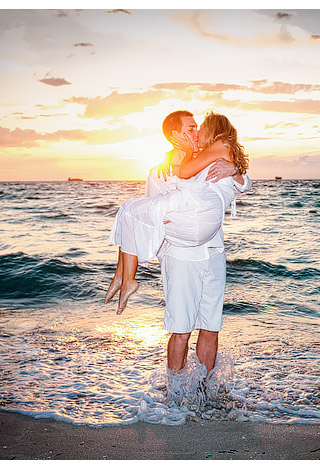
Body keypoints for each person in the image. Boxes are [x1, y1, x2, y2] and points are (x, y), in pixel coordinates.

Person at [107, 111, 251, 374]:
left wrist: (235, 168)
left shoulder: (206, 156)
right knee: (181, 329)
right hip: (181, 256)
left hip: (214, 252)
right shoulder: (159, 171)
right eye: (191, 129)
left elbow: (243, 184)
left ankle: (205, 391)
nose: (197, 134)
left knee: (211, 326)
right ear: (175, 135)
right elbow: (153, 217)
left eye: (198, 128)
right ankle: (175, 395)